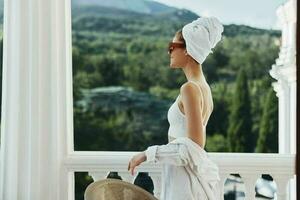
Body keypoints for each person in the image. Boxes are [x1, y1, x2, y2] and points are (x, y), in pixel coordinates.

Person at [128, 16, 224, 200]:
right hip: (183, 178)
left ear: (188, 50)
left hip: (185, 184)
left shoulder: (190, 88)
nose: (169, 51)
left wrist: (147, 154)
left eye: (173, 46)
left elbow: (193, 148)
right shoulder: (203, 88)